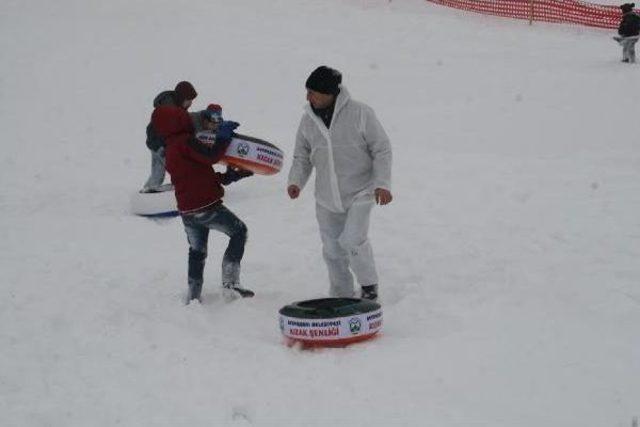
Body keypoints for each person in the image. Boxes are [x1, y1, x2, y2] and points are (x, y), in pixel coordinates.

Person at [287, 66, 393, 301]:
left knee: (353, 239)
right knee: (332, 249)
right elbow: (301, 156)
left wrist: (382, 183)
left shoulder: (361, 113)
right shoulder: (308, 121)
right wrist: (296, 181)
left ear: (330, 93)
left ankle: (368, 286)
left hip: (361, 192)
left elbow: (382, 149)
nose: (308, 97)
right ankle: (341, 293)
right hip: (326, 197)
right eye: (307, 92)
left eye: (313, 92)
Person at [151, 100, 254, 303]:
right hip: (207, 207)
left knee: (197, 251)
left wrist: (230, 177)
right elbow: (211, 156)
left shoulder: (171, 148)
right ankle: (231, 284)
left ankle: (194, 295)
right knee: (239, 231)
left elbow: (197, 174)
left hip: (187, 212)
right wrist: (223, 137)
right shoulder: (185, 141)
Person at [141, 81, 198, 193]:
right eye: (189, 100)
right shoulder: (169, 109)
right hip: (159, 143)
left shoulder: (176, 107)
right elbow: (167, 129)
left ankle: (148, 191)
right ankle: (150, 193)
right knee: (174, 167)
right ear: (182, 98)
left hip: (158, 142)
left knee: (159, 169)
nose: (190, 103)